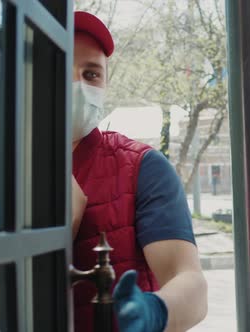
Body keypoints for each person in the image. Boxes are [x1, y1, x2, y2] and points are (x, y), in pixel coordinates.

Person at [70, 11, 207, 332]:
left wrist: (156, 311)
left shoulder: (142, 167)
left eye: (91, 75)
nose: (78, 85)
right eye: (62, 70)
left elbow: (190, 282)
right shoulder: (4, 171)